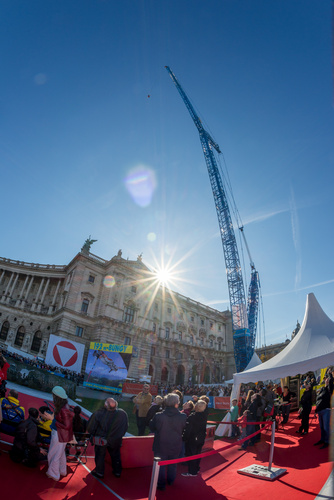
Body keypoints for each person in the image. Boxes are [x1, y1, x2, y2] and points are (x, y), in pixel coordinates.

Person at [149, 393, 187, 491]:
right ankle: (169, 481)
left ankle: (162, 484)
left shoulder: (160, 415)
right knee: (171, 464)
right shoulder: (182, 416)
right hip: (174, 444)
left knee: (162, 465)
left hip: (161, 444)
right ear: (176, 403)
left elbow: (152, 427)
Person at [88, 397, 128, 479]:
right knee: (115, 455)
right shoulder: (122, 413)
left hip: (102, 440)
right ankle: (117, 471)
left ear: (105, 404)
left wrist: (93, 436)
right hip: (115, 440)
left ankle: (99, 472)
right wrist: (118, 435)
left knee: (100, 455)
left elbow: (90, 428)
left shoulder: (98, 413)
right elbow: (125, 427)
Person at [46, 386, 73, 481]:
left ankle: (54, 474)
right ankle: (61, 471)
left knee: (53, 454)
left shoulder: (63, 408)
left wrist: (52, 419)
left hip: (58, 433)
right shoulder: (65, 407)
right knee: (60, 454)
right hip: (62, 434)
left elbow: (66, 425)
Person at [182, 400, 207, 477]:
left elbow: (188, 429)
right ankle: (196, 468)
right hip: (201, 438)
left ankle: (192, 472)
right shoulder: (204, 416)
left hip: (192, 439)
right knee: (198, 454)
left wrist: (184, 437)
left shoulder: (193, 417)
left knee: (191, 455)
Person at [314, 376, 331, 449]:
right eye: (325, 379)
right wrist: (316, 411)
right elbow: (318, 401)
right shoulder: (322, 389)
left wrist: (330, 378)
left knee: (326, 427)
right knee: (322, 427)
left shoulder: (329, 389)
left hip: (326, 410)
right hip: (320, 410)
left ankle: (327, 441)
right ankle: (323, 439)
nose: (326, 380)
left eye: (327, 379)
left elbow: (330, 385)